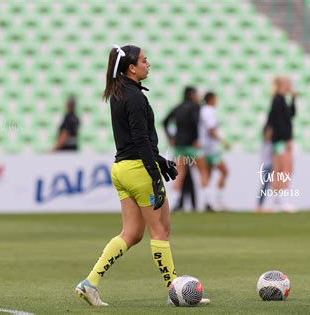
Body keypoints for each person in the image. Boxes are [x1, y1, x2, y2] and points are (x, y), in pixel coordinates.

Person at [74, 44, 209, 307]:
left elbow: (134, 140)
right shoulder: (135, 97)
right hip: (138, 170)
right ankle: (176, 292)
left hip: (122, 169)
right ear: (131, 68)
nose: (149, 64)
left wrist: (160, 161)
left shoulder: (119, 92)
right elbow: (140, 139)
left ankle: (89, 283)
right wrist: (154, 173)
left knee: (132, 233)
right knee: (161, 230)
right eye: (145, 61)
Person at [163, 87, 209, 211]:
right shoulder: (196, 107)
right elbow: (195, 123)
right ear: (192, 95)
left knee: (179, 175)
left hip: (178, 146)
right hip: (192, 146)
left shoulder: (177, 107)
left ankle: (173, 203)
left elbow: (165, 121)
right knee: (203, 171)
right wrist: (197, 139)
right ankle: (206, 202)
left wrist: (170, 137)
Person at [266, 76, 297, 211]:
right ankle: (282, 200)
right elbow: (278, 123)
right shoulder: (278, 100)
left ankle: (277, 200)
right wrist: (287, 139)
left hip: (279, 140)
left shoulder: (280, 100)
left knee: (280, 170)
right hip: (281, 140)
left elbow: (291, 115)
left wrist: (294, 99)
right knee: (285, 169)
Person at [199, 92, 229, 211]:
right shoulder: (209, 111)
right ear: (211, 99)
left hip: (204, 147)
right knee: (224, 171)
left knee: (207, 173)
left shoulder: (202, 110)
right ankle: (217, 200)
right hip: (211, 149)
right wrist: (223, 141)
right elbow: (211, 129)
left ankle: (207, 202)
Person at [256, 124, 273, 212]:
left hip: (272, 166)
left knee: (273, 186)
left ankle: (272, 204)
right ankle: (260, 205)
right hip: (267, 166)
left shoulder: (271, 143)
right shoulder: (266, 143)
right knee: (265, 186)